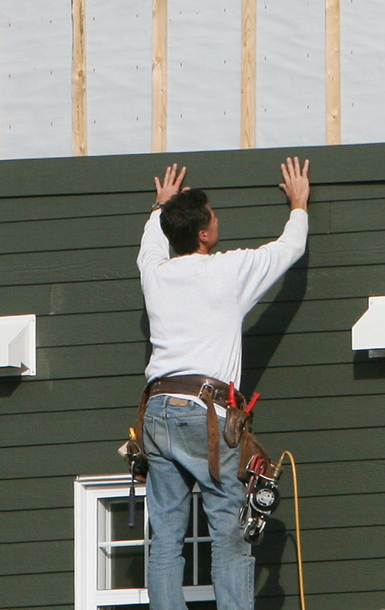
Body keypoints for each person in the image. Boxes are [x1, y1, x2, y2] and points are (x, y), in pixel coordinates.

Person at [136, 157, 310, 610]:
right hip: (205, 412)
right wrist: (298, 203)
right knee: (228, 531)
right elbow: (288, 249)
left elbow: (149, 245)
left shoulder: (155, 275)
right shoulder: (227, 271)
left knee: (167, 537)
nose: (217, 220)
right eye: (212, 217)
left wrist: (160, 206)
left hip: (156, 411)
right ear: (203, 235)